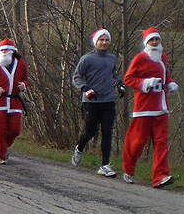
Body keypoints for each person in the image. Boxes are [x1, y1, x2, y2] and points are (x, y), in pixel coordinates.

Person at [121, 27, 178, 187]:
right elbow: (128, 78)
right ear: (146, 43)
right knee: (137, 141)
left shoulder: (162, 57)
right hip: (144, 108)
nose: (154, 43)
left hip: (161, 107)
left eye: (157, 40)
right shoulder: (140, 58)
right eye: (151, 40)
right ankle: (128, 169)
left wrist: (170, 83)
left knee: (161, 142)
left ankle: (160, 176)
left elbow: (165, 75)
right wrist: (145, 83)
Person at [71, 28, 125, 177]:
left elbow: (113, 75)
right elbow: (77, 77)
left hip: (108, 100)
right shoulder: (87, 59)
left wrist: (120, 85)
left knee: (107, 132)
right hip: (92, 100)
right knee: (90, 131)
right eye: (101, 40)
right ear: (96, 42)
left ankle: (105, 165)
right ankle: (79, 148)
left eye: (106, 40)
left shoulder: (111, 58)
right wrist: (86, 88)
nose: (104, 42)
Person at [0, 39, 28, 165]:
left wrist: (24, 85)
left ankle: (4, 146)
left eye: (6, 50)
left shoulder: (20, 64)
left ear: (12, 51)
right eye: (2, 50)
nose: (3, 52)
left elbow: (25, 78)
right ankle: (1, 155)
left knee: (15, 129)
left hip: (14, 102)